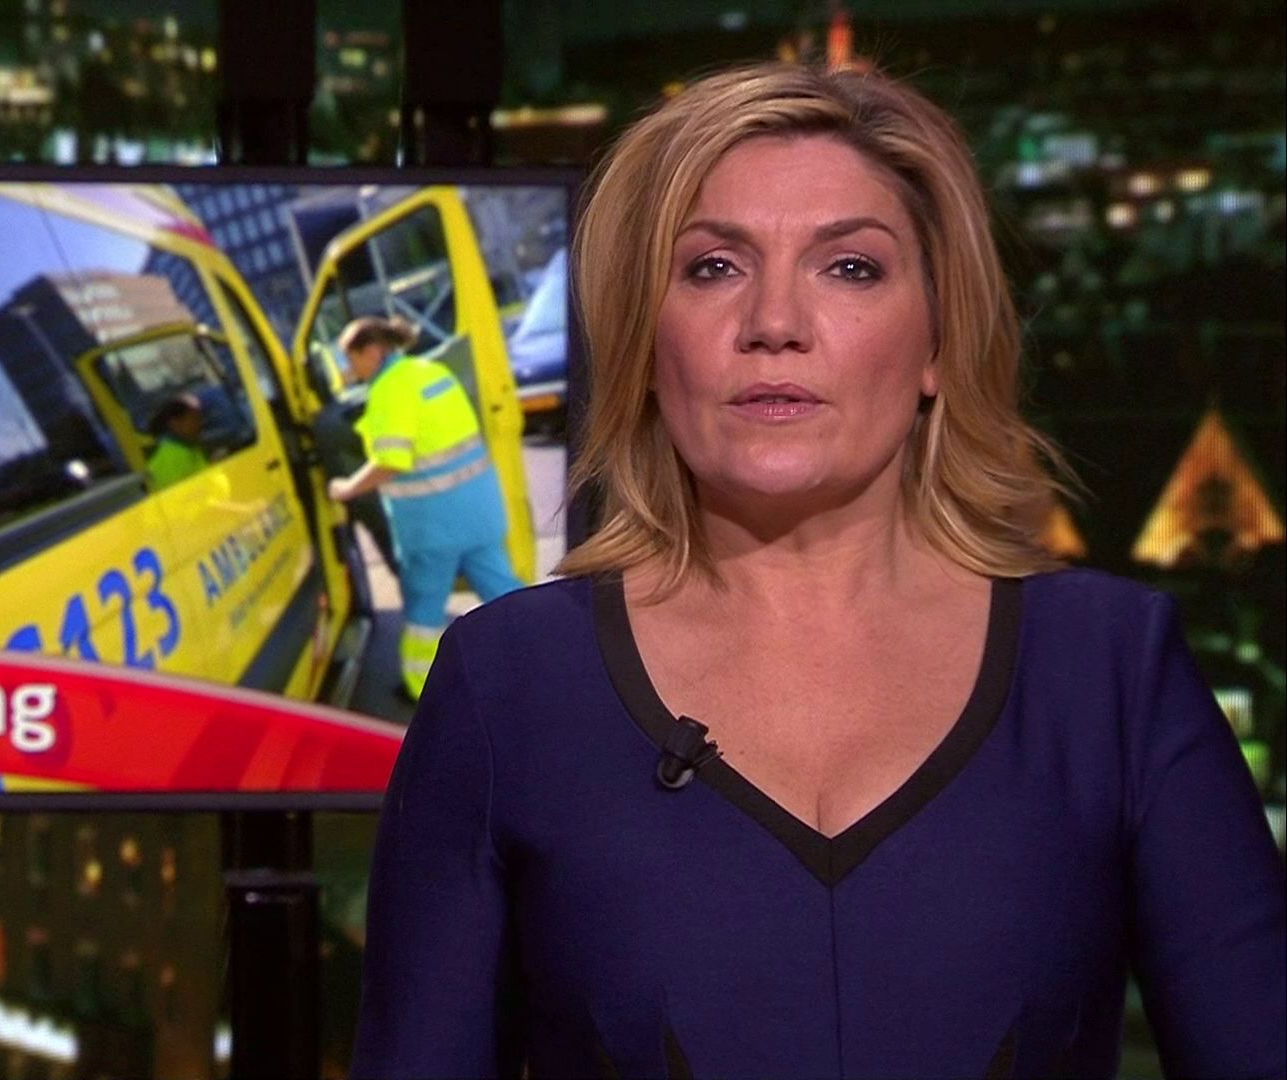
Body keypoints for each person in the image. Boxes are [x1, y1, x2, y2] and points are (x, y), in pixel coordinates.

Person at [350, 60, 1285, 1079]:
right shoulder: (507, 683)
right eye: (713, 267)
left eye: (851, 268)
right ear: (643, 341)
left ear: (938, 343)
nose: (774, 323)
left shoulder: (1110, 670)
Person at [327, 315, 526, 702]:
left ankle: (423, 690)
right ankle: (546, 651)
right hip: (480, 511)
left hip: (434, 526)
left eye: (351, 359)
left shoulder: (389, 389)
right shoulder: (431, 371)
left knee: (424, 611)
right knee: (504, 592)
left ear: (373, 351)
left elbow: (391, 461)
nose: (349, 369)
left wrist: (347, 488)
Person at [143, 392, 208, 490]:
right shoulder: (169, 459)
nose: (200, 423)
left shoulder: (188, 447)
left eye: (199, 418)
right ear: (175, 423)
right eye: (194, 419)